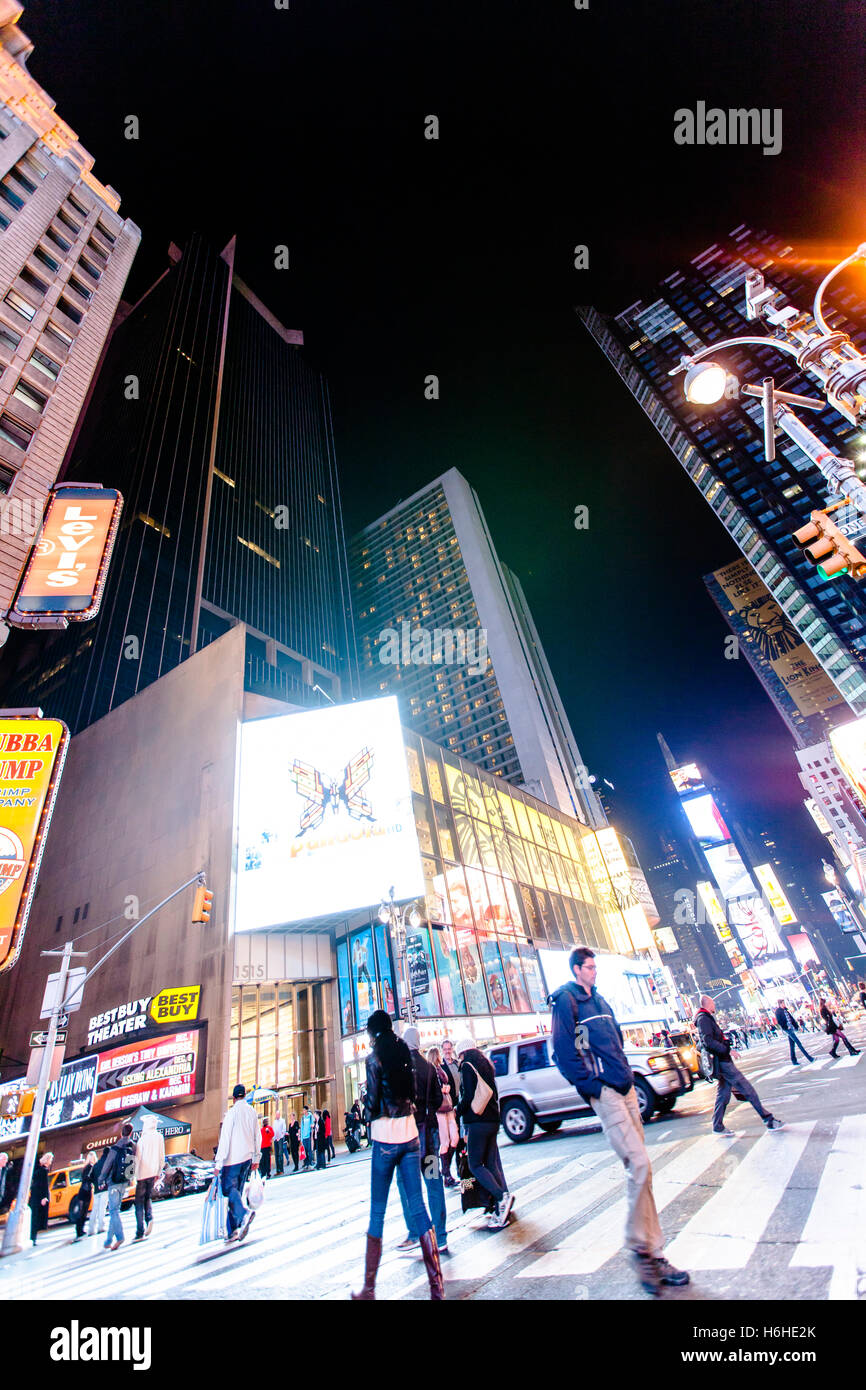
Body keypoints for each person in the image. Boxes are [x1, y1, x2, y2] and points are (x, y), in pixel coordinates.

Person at [551, 947, 690, 1297]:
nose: (595, 971)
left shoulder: (599, 1002)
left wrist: (624, 1073)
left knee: (643, 1173)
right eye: (590, 967)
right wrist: (593, 1087)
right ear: (576, 969)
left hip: (626, 1088)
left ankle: (655, 1254)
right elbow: (564, 1052)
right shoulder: (567, 1002)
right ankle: (639, 1248)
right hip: (607, 1094)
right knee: (639, 1164)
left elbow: (616, 1040)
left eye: (596, 966)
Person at [352, 1010, 443, 1300]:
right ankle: (436, 1287)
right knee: (418, 1205)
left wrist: (366, 1102)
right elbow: (414, 1095)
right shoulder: (405, 1052)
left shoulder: (373, 1059)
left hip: (384, 1138)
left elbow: (375, 1103)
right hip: (411, 1137)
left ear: (372, 1032)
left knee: (377, 1211)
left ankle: (369, 1288)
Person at [695, 995, 782, 1137]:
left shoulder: (705, 1018)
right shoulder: (703, 1018)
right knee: (748, 1089)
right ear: (707, 1004)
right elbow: (708, 1041)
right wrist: (727, 1050)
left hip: (722, 1060)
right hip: (723, 1062)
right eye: (713, 1003)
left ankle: (717, 1126)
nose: (714, 1005)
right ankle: (769, 1120)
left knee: (723, 1095)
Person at [395, 1027, 448, 1256]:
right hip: (428, 1137)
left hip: (406, 1139)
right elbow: (437, 1099)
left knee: (406, 1184)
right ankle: (441, 1234)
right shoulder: (429, 1067)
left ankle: (417, 1232)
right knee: (434, 1183)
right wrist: (426, 1115)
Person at [453, 1035, 513, 1230]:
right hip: (493, 1120)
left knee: (476, 1164)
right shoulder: (485, 1064)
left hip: (477, 1121)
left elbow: (469, 1096)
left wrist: (457, 1110)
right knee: (491, 1163)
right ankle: (503, 1199)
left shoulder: (468, 1066)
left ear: (462, 1053)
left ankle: (500, 1197)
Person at [214, 1083, 261, 1243]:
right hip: (247, 1158)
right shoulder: (252, 1112)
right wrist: (256, 1158)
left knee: (228, 1190)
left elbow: (225, 1138)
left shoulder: (232, 1113)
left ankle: (243, 1214)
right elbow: (257, 1136)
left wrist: (219, 1163)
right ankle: (232, 1230)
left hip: (232, 1159)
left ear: (234, 1098)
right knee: (237, 1194)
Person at [101, 1123, 135, 1252]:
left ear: (121, 1133)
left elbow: (107, 1165)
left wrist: (101, 1179)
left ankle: (120, 1236)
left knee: (114, 1210)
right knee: (115, 1210)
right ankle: (108, 1240)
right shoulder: (132, 1147)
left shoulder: (115, 1148)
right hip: (124, 1182)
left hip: (114, 1182)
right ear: (131, 1133)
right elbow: (132, 1165)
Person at [428, 1046, 459, 1187]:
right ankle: (444, 1174)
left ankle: (444, 1171)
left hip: (445, 1107)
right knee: (442, 1143)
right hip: (438, 1111)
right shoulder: (430, 1070)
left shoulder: (438, 1069)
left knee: (453, 1138)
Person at [133, 1113, 165, 1242]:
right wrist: (158, 1171)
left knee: (139, 1202)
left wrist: (133, 1175)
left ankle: (139, 1231)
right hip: (153, 1173)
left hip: (142, 1174)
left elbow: (138, 1158)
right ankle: (149, 1218)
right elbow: (162, 1156)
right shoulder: (159, 1137)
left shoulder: (142, 1139)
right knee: (147, 1198)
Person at [774, 998, 814, 1066]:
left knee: (792, 1045)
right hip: (787, 1029)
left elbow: (791, 1019)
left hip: (791, 1028)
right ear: (780, 1003)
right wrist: (786, 1027)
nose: (784, 1004)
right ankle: (809, 1058)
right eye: (783, 1003)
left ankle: (794, 1060)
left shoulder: (785, 1010)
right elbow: (779, 1021)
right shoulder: (778, 1011)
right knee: (798, 1043)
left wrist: (797, 1027)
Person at [73, 1153, 98, 1241]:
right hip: (87, 1190)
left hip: (82, 1190)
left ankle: (79, 1230)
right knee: (84, 1211)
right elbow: (90, 1178)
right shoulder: (91, 1166)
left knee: (81, 1211)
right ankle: (80, 1231)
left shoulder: (85, 1167)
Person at [29, 1151, 52, 1248]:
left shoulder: (39, 1170)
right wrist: (44, 1197)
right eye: (50, 1160)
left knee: (35, 1218)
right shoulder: (43, 1171)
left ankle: (33, 1237)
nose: (51, 1162)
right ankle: (32, 1238)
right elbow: (43, 1186)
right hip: (38, 1198)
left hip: (35, 1198)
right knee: (36, 1218)